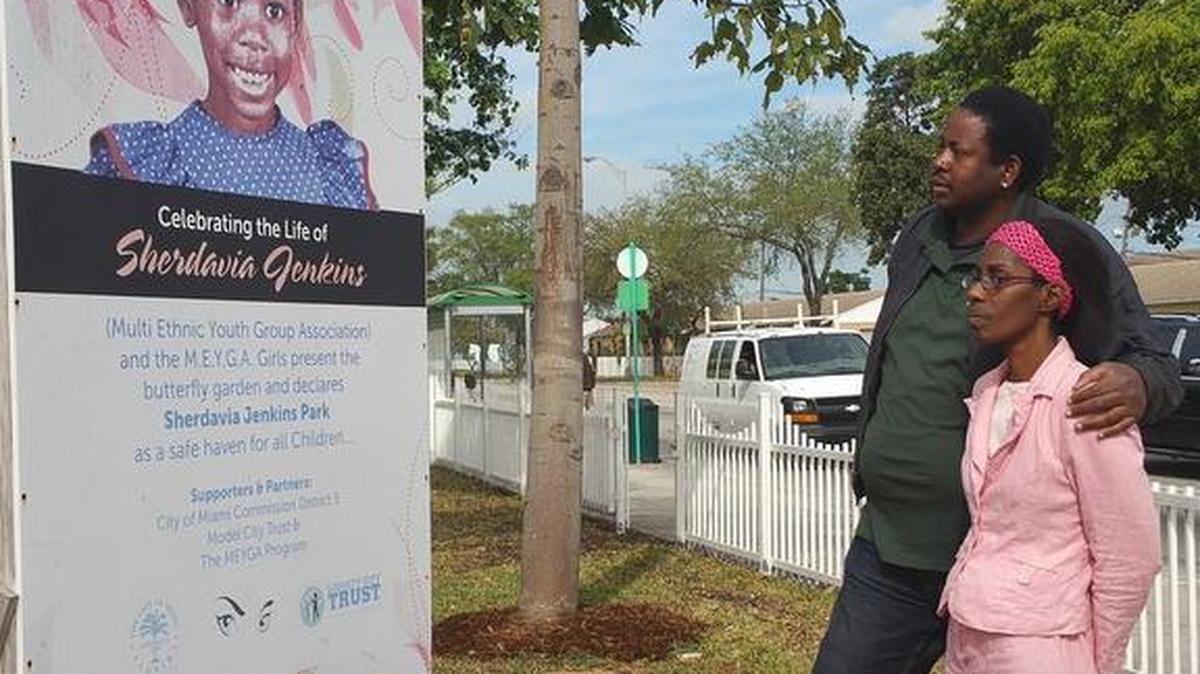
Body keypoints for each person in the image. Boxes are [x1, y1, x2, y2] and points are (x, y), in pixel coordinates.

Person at [811, 86, 1180, 674]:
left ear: (1008, 170)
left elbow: (1153, 360)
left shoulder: (1063, 247)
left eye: (958, 152)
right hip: (889, 550)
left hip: (1001, 571)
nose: (938, 161)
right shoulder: (917, 238)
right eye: (940, 147)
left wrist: (1137, 383)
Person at [940, 218, 1159, 673]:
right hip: (969, 633)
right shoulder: (985, 393)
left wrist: (1103, 662)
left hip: (1042, 647)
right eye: (976, 277)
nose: (976, 292)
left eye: (997, 279)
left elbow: (1130, 556)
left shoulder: (1087, 401)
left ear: (1050, 296)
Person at [85, 0, 377, 210]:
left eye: (274, 11)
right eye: (228, 3)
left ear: (295, 25)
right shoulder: (145, 164)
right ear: (188, 7)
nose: (254, 38)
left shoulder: (330, 166)